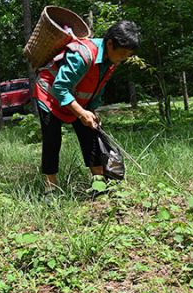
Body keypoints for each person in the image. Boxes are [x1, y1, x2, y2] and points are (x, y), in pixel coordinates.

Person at [34, 20, 141, 195]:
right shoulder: (83, 54)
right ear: (110, 44)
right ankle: (50, 188)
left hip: (75, 99)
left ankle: (98, 184)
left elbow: (98, 88)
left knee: (90, 134)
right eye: (122, 53)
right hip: (49, 96)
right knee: (52, 140)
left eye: (127, 56)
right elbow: (59, 87)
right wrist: (81, 112)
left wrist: (91, 111)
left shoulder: (111, 62)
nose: (123, 59)